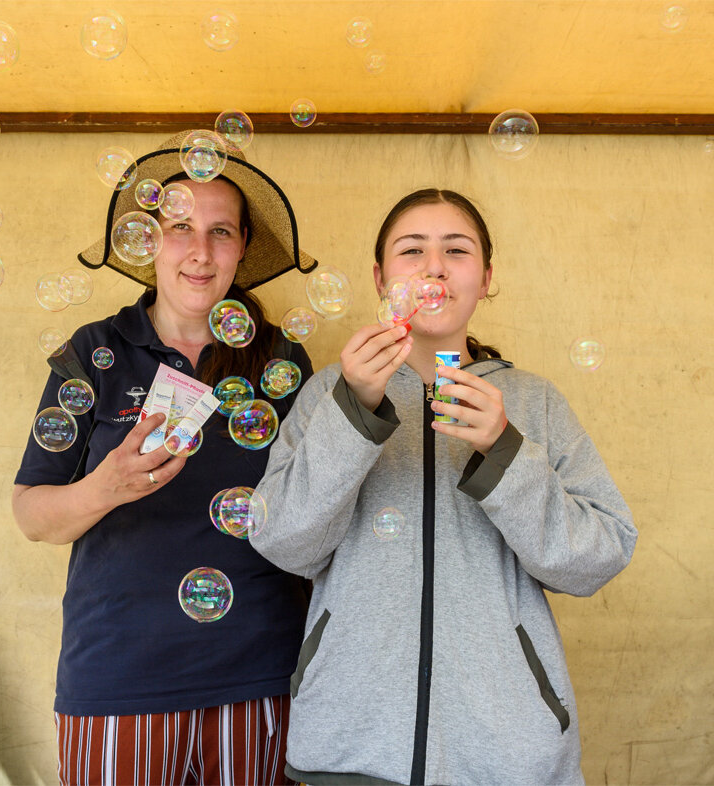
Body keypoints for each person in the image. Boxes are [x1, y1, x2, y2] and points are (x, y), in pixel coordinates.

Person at [250, 189, 638, 785]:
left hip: (508, 754)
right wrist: (354, 412)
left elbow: (596, 558)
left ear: (486, 278)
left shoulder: (534, 402)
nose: (434, 266)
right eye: (412, 250)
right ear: (381, 277)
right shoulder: (328, 395)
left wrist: (505, 452)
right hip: (352, 744)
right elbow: (285, 543)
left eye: (456, 250)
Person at [12, 130, 316, 786]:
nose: (199, 252)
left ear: (243, 248)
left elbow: (312, 515)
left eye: (221, 232)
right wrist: (107, 485)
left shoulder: (282, 360)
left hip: (256, 672)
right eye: (178, 227)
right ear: (148, 242)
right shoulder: (94, 351)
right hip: (117, 678)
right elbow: (32, 514)